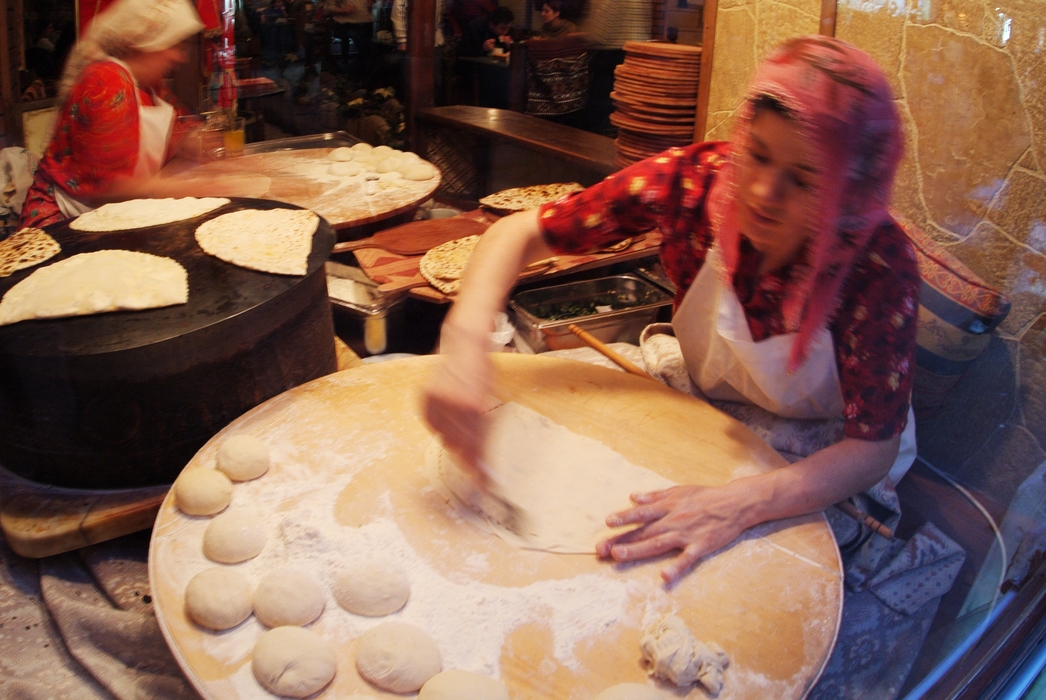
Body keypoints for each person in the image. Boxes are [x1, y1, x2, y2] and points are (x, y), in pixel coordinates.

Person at [422, 36, 920, 584]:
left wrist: (740, 504)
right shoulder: (693, 184)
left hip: (821, 453)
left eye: (803, 180)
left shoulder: (878, 264)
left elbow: (872, 447)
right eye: (756, 153)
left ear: (850, 190)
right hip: (709, 405)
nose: (760, 191)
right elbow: (522, 233)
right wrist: (465, 342)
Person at [19, 0, 209, 230]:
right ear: (146, 42)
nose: (179, 57)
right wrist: (205, 187)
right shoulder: (105, 82)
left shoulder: (152, 86)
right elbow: (112, 187)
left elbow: (184, 133)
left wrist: (214, 150)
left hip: (112, 215)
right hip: (62, 221)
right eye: (174, 44)